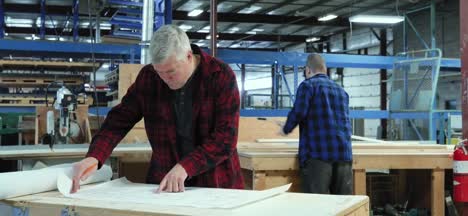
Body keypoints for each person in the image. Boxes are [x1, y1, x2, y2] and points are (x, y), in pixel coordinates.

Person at [71, 24, 244, 193]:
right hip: (165, 180)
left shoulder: (220, 76)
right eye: (159, 72)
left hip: (215, 183)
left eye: (171, 72)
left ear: (189, 56)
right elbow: (119, 120)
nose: (165, 79)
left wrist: (186, 166)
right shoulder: (149, 78)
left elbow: (225, 139)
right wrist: (95, 156)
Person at [279, 53, 353, 195]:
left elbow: (299, 112)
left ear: (308, 70)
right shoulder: (342, 91)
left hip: (318, 155)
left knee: (316, 205)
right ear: (325, 69)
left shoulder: (308, 86)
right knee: (344, 204)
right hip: (344, 154)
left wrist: (285, 128)